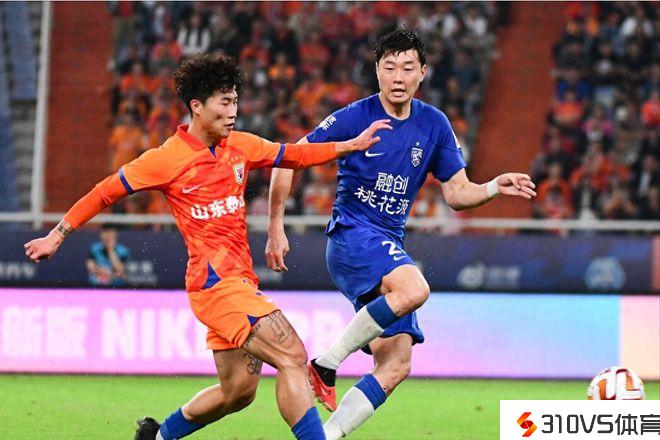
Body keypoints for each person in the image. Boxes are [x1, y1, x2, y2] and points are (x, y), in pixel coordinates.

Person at [24, 53, 390, 440]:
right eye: (224, 102)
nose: (233, 112)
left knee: (238, 392)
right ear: (197, 106)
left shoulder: (241, 146)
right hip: (215, 285)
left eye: (235, 101)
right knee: (293, 355)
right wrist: (57, 234)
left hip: (239, 283)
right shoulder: (167, 159)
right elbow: (105, 192)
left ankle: (157, 436)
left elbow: (293, 155)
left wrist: (349, 145)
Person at [266, 28, 536, 440]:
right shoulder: (354, 116)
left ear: (422, 72)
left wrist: (494, 186)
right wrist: (275, 227)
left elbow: (458, 194)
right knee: (414, 288)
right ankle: (325, 365)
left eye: (408, 67)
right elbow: (288, 160)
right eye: (389, 67)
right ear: (377, 70)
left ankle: (324, 437)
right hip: (352, 236)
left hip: (387, 244)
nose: (398, 76)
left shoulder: (435, 124)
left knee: (396, 365)